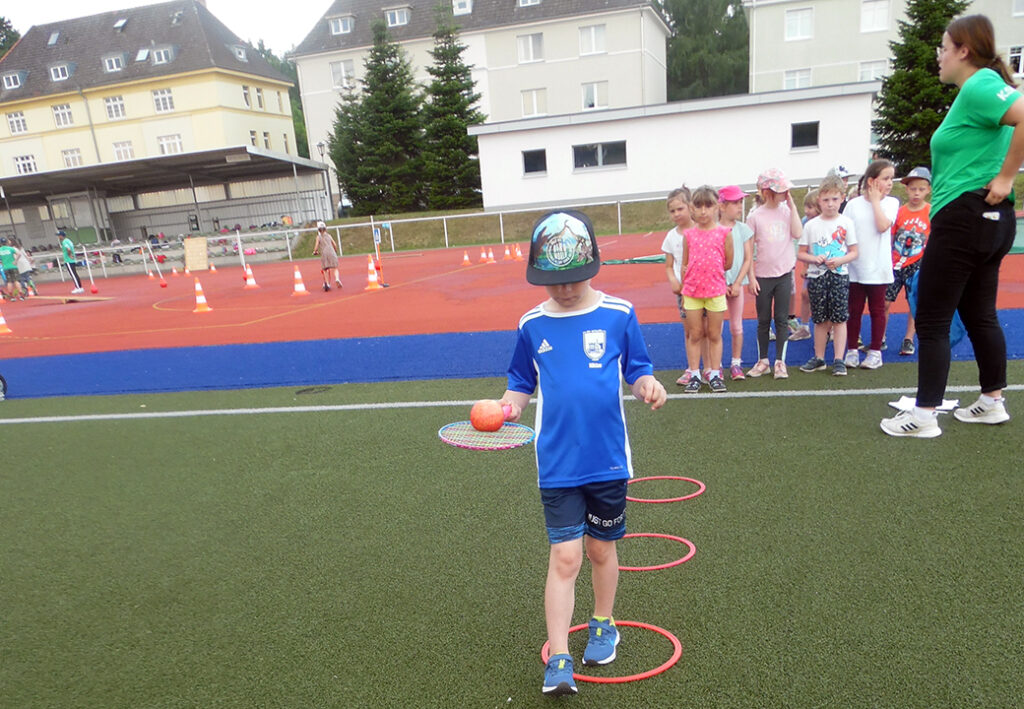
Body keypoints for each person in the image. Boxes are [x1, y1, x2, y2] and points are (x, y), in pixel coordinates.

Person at [499, 210, 667, 696]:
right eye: (554, 281)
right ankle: (560, 656)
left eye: (573, 279)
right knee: (565, 556)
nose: (565, 289)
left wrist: (648, 384)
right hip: (556, 463)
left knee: (600, 549)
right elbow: (519, 384)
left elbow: (638, 369)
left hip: (608, 459)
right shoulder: (532, 324)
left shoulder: (618, 314)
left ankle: (602, 622)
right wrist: (507, 408)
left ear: (592, 265)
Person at [881, 14, 1023, 438]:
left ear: (963, 50)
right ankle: (992, 401)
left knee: (932, 317)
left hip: (965, 216)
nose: (938, 56)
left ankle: (923, 416)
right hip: (991, 221)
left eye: (943, 48)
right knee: (979, 313)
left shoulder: (980, 84)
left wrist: (1006, 176)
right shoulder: (979, 90)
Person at [796, 175, 859, 376]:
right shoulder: (811, 225)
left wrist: (840, 261)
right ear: (819, 201)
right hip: (817, 277)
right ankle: (820, 357)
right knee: (820, 319)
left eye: (834, 199)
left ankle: (839, 359)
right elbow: (801, 253)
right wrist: (814, 259)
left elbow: (854, 252)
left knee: (839, 319)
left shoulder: (847, 223)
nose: (830, 204)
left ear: (841, 199)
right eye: (825, 200)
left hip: (839, 276)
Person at [746, 168, 803, 379]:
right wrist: (751, 277)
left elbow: (797, 233)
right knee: (763, 320)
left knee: (781, 319)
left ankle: (780, 361)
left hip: (783, 275)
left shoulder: (787, 212)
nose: (785, 193)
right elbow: (749, 250)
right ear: (768, 191)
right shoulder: (755, 217)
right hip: (762, 276)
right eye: (782, 190)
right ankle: (763, 361)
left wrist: (793, 206)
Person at [843, 159, 899, 370]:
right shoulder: (853, 205)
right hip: (855, 268)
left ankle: (875, 351)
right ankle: (851, 350)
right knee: (854, 310)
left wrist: (876, 201)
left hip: (879, 268)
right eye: (885, 178)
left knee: (877, 310)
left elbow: (883, 225)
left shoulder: (891, 203)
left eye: (891, 178)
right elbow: (844, 233)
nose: (890, 183)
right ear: (872, 181)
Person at [680, 186, 734, 392]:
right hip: (692, 292)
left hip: (715, 291)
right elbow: (685, 263)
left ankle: (714, 373)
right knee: (695, 334)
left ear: (716, 207)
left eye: (708, 205)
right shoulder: (689, 235)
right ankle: (694, 374)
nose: (703, 211)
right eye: (698, 206)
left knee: (714, 334)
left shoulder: (724, 233)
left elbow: (727, 262)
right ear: (692, 208)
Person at [661, 187, 709, 386]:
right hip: (684, 291)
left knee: (706, 330)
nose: (676, 214)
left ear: (690, 207)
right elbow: (669, 265)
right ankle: (692, 368)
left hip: (705, 288)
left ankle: (709, 368)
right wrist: (673, 280)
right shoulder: (671, 237)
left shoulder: (701, 230)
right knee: (690, 331)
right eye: (672, 211)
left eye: (680, 209)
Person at [886, 167, 932, 356]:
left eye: (921, 189)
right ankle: (880, 337)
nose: (916, 193)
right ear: (906, 189)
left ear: (928, 189)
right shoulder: (899, 212)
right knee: (885, 301)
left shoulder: (930, 212)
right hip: (896, 263)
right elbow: (891, 236)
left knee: (914, 302)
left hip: (918, 263)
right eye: (913, 189)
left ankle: (908, 338)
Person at [719, 185, 754, 380]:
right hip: (718, 286)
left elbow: (748, 258)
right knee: (716, 327)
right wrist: (722, 283)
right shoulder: (714, 230)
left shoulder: (744, 230)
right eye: (735, 203)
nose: (740, 206)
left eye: (741, 202)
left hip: (737, 285)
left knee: (737, 326)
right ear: (722, 206)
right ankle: (715, 366)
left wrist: (738, 282)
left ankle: (736, 363)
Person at [311, 221, 342, 292]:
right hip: (332, 252)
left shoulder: (318, 237)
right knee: (335, 267)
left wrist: (315, 251)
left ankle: (327, 284)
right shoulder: (329, 236)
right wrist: (335, 251)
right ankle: (337, 279)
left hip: (324, 253)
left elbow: (316, 247)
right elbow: (335, 244)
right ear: (325, 229)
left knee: (325, 269)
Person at [0, 237, 17, 301]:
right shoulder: (9, 248)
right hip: (5, 266)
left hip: (4, 266)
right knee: (9, 280)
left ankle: (5, 293)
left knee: (7, 280)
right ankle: (8, 293)